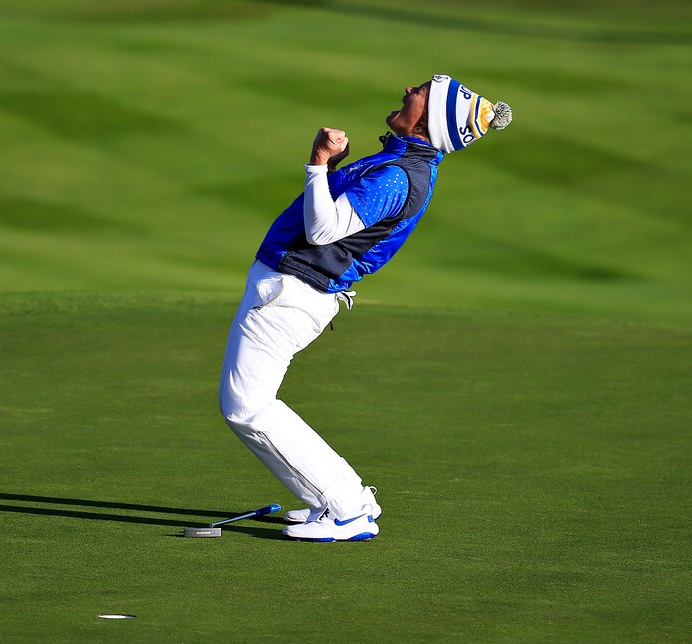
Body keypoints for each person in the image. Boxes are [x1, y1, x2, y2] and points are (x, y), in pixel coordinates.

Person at [218, 74, 512, 542]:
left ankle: (345, 509)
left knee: (246, 406)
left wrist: (317, 163)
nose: (409, 90)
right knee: (251, 404)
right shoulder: (402, 162)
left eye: (421, 92)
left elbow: (321, 230)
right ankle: (345, 499)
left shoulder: (399, 175)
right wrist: (337, 168)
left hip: (293, 292)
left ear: (429, 120)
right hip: (296, 290)